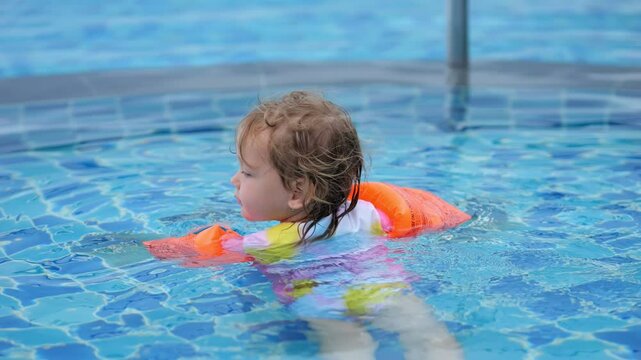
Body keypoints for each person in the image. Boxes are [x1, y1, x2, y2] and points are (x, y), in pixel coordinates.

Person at [145, 91, 467, 359]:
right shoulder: (368, 212)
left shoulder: (268, 242)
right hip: (383, 285)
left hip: (322, 300)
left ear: (298, 192)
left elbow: (205, 253)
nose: (235, 180)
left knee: (348, 346)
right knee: (427, 337)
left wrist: (151, 248)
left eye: (247, 173)